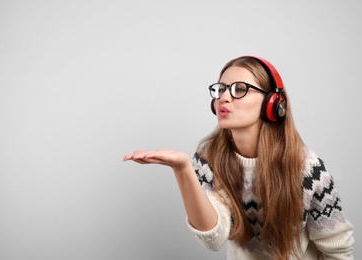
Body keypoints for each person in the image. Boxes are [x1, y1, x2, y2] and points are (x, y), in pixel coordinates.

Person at [123, 56, 355, 259]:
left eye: (239, 89)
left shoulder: (307, 169)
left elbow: (338, 251)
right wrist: (182, 169)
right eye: (221, 89)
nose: (224, 97)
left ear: (273, 103)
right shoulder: (208, 161)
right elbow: (213, 239)